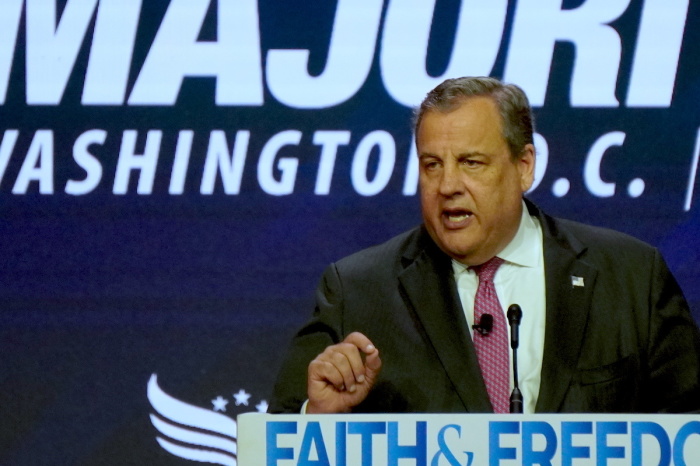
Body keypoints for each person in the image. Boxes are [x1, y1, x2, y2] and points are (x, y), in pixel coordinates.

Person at [269, 76, 700, 414]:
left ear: (524, 166)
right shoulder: (358, 291)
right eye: (431, 165)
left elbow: (689, 428)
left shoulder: (630, 277)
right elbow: (278, 437)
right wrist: (320, 419)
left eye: (471, 163)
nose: (448, 186)